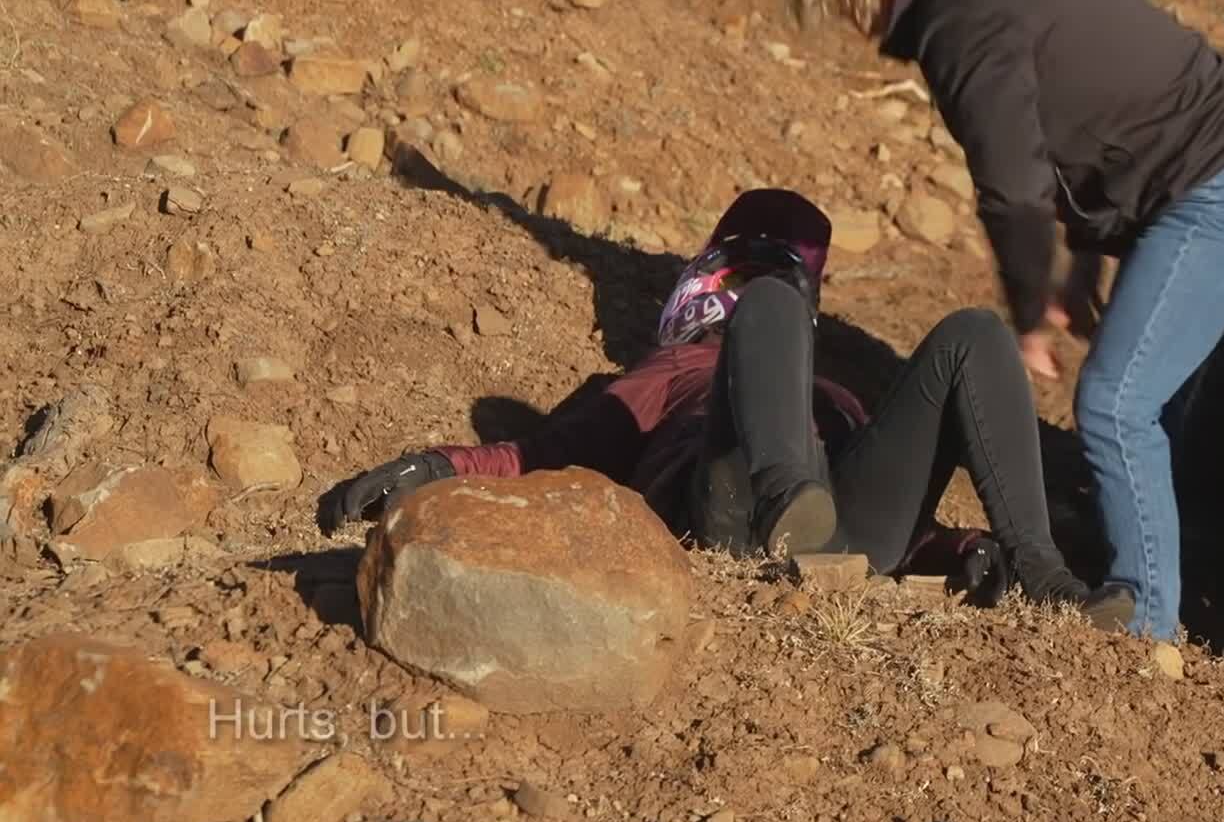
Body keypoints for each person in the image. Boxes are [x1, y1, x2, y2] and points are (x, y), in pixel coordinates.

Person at [787, 0, 1224, 642]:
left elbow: (1014, 185)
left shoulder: (958, 11)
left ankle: (1146, 622)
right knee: (1142, 398)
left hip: (1223, 185)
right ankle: (1140, 552)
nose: (855, 25)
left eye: (844, 2)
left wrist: (1029, 317)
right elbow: (1078, 124)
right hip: (1210, 170)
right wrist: (1083, 262)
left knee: (1115, 403)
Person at [318, 188, 1133, 625]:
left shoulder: (831, 387)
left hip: (842, 528)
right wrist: (434, 468)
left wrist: (959, 548)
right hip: (728, 507)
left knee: (975, 334)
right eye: (746, 277)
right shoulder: (669, 369)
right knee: (774, 316)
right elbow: (544, 455)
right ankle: (785, 501)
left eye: (783, 283)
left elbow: (897, 505)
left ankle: (1043, 573)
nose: (765, 297)